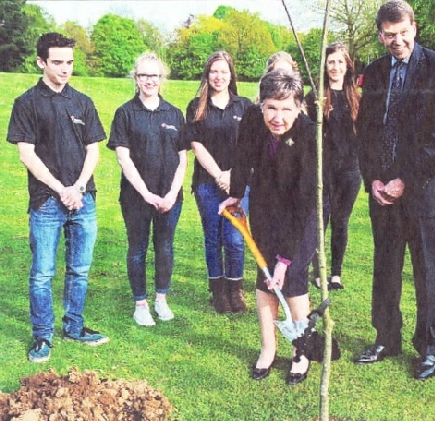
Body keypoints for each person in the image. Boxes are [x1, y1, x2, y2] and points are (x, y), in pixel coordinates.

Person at [354, 0, 435, 380]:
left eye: (403, 32)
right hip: (383, 193)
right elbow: (365, 130)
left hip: (424, 190)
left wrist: (404, 181)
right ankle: (386, 337)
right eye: (389, 35)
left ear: (415, 27)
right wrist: (375, 180)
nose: (397, 41)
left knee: (428, 273)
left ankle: (429, 348)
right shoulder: (376, 71)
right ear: (380, 35)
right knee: (386, 268)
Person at [7, 32, 109, 362]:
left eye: (70, 62)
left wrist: (78, 187)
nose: (65, 69)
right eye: (58, 63)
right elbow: (27, 154)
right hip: (46, 201)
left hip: (83, 199)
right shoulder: (26, 103)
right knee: (42, 273)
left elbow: (93, 150)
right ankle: (43, 336)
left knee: (79, 269)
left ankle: (74, 327)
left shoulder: (83, 102)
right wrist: (59, 188)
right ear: (41, 62)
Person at [219, 70, 317, 385]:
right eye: (271, 107)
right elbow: (242, 157)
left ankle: (300, 353)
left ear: (299, 107)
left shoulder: (308, 136)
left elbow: (303, 201)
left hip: (300, 214)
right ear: (260, 104)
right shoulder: (251, 119)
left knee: (293, 279)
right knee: (265, 279)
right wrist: (236, 194)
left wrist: (286, 258)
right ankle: (268, 348)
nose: (277, 117)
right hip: (263, 207)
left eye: (286, 108)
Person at [108, 52, 187, 326]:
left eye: (154, 75)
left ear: (161, 78)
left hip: (170, 198)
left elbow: (183, 158)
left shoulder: (175, 113)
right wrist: (146, 194)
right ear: (136, 78)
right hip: (136, 198)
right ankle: (140, 304)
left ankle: (161, 300)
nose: (149, 80)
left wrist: (171, 194)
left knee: (165, 248)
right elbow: (123, 158)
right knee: (138, 249)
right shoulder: (125, 113)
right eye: (143, 75)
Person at [185, 51, 253, 314]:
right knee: (213, 238)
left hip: (239, 184)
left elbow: (251, 147)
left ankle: (235, 288)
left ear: (231, 74)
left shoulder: (244, 106)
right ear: (207, 74)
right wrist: (218, 175)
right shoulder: (197, 106)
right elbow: (196, 144)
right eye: (214, 71)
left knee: (235, 238)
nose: (219, 76)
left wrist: (234, 177)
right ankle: (218, 291)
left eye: (224, 71)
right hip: (207, 183)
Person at [304, 42, 361, 291]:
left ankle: (336, 273)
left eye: (340, 61)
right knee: (321, 219)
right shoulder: (315, 96)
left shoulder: (356, 97)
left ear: (347, 65)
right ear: (324, 66)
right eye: (331, 62)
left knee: (341, 221)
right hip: (323, 169)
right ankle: (319, 271)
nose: (335, 67)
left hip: (349, 169)